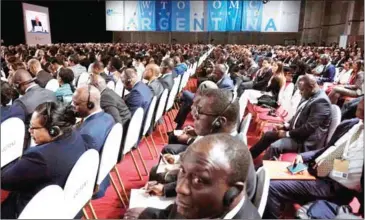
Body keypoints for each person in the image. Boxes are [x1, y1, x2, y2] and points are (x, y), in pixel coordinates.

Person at [148, 89, 257, 202]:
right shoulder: (225, 142)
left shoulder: (222, 156)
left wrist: (165, 189)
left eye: (200, 111)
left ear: (219, 121)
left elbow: (197, 188)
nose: (194, 115)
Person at [263, 98, 364, 219]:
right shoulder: (351, 124)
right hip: (316, 169)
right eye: (363, 100)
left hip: (334, 187)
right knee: (269, 173)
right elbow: (327, 150)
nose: (361, 104)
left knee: (271, 187)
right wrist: (303, 156)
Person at [124, 134, 260, 219]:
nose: (180, 188)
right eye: (183, 171)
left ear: (234, 191)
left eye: (198, 180)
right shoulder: (197, 203)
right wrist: (148, 214)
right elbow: (173, 214)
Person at [1, 102, 87, 218]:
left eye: (33, 128)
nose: (29, 131)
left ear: (53, 131)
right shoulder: (74, 135)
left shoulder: (39, 157)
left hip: (35, 210)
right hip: (68, 205)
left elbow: (5, 181)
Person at [250, 75, 332, 161]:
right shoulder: (308, 94)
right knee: (268, 135)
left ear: (311, 87)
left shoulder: (321, 102)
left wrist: (286, 134)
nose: (300, 93)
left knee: (275, 146)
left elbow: (308, 128)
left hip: (304, 140)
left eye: (302, 90)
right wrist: (285, 126)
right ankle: (249, 157)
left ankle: (261, 170)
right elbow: (298, 116)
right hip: (297, 134)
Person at [72, 85, 115, 199]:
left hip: (84, 186)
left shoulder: (87, 134)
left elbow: (78, 165)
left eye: (76, 104)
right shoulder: (108, 118)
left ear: (89, 105)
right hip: (104, 176)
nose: (72, 106)